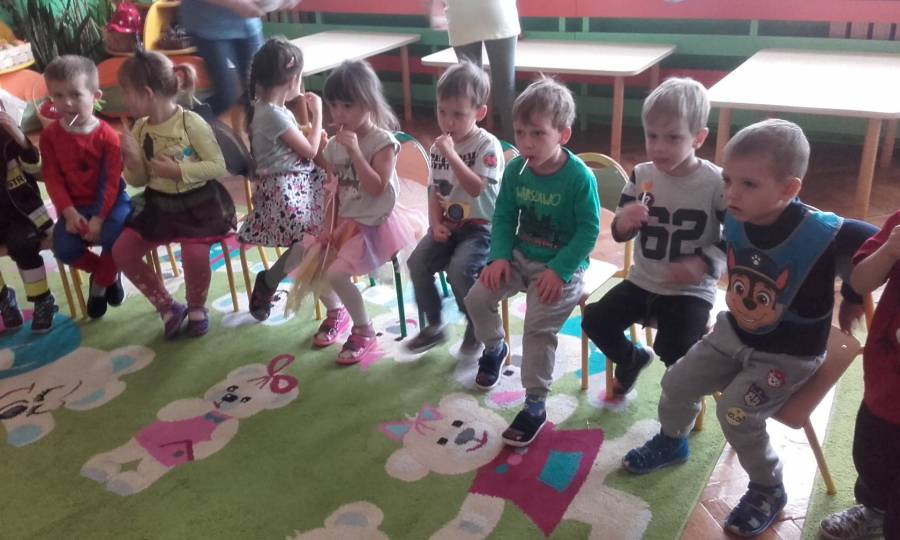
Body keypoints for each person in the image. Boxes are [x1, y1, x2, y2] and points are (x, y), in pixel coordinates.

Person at [621, 119, 878, 537]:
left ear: (789, 189)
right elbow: (729, 244)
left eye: (748, 184)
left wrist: (851, 293)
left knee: (736, 414)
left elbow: (875, 244)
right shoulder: (738, 213)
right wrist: (700, 263)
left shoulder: (823, 231)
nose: (732, 193)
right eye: (728, 179)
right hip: (733, 334)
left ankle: (768, 487)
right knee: (676, 381)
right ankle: (672, 439)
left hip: (790, 354)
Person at [463, 77, 600, 447]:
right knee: (477, 297)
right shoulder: (516, 169)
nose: (526, 143)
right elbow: (504, 217)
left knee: (538, 328)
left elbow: (589, 230)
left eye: (537, 133)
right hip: (521, 257)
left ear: (563, 135)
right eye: (520, 132)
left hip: (563, 266)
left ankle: (535, 405)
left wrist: (559, 269)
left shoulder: (579, 177)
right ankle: (495, 348)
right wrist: (498, 257)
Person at [581, 77, 725, 397]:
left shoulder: (716, 183)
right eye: (652, 135)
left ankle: (683, 399)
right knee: (594, 320)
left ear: (698, 138)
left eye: (673, 137)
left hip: (690, 291)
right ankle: (632, 359)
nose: (659, 146)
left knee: (673, 347)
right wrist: (623, 221)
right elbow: (619, 234)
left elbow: (736, 240)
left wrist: (703, 263)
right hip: (643, 281)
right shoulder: (642, 174)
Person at [114, 49, 235, 339]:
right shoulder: (140, 128)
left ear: (146, 93)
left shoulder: (190, 123)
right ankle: (168, 307)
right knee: (122, 250)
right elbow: (139, 180)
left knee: (195, 253)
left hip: (198, 203)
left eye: (126, 92)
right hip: (159, 205)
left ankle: (197, 307)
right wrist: (132, 162)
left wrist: (178, 171)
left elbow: (217, 166)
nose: (124, 99)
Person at [314, 59, 418, 364]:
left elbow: (375, 189)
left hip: (375, 224)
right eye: (333, 106)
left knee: (336, 273)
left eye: (347, 106)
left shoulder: (382, 143)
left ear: (368, 103)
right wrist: (327, 225)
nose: (338, 114)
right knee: (309, 260)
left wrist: (356, 152)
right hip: (347, 219)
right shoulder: (336, 143)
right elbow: (333, 186)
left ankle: (364, 330)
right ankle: (337, 312)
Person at [404, 61, 504, 355]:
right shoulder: (438, 148)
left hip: (481, 229)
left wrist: (451, 154)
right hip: (449, 225)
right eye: (442, 111)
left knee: (460, 271)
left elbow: (475, 188)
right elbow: (435, 190)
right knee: (417, 262)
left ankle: (476, 322)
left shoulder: (487, 145)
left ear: (479, 113)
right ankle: (435, 324)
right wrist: (435, 224)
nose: (448, 122)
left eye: (458, 114)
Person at [818, 213, 900, 540]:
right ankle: (874, 510)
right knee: (870, 456)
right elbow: (861, 282)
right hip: (885, 382)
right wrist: (890, 250)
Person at [238, 37, 327, 321]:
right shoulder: (272, 114)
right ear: (291, 80)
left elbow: (293, 143)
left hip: (293, 184)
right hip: (285, 191)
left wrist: (306, 130)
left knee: (317, 237)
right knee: (313, 239)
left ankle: (276, 279)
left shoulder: (268, 109)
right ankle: (271, 280)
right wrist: (318, 114)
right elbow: (311, 150)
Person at [41, 55, 130, 320]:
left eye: (75, 95)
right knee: (63, 247)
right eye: (58, 96)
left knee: (118, 238)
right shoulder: (49, 137)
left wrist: (99, 219)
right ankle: (108, 274)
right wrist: (69, 213)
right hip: (75, 207)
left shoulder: (108, 136)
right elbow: (53, 179)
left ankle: (100, 287)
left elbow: (110, 182)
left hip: (110, 204)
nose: (66, 103)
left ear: (95, 96)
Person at [0, 104, 57, 332]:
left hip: (23, 213)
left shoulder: (9, 136)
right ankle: (4, 298)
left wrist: (21, 139)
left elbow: (36, 167)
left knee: (24, 242)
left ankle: (42, 299)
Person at [443, 0, 519, 141]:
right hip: (498, 9)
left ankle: (468, 145)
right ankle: (515, 147)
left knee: (468, 88)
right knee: (505, 89)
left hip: (461, 12)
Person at [179, 0, 264, 116]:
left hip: (249, 24)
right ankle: (182, 121)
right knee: (227, 97)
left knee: (260, 90)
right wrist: (236, 4)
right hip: (208, 26)